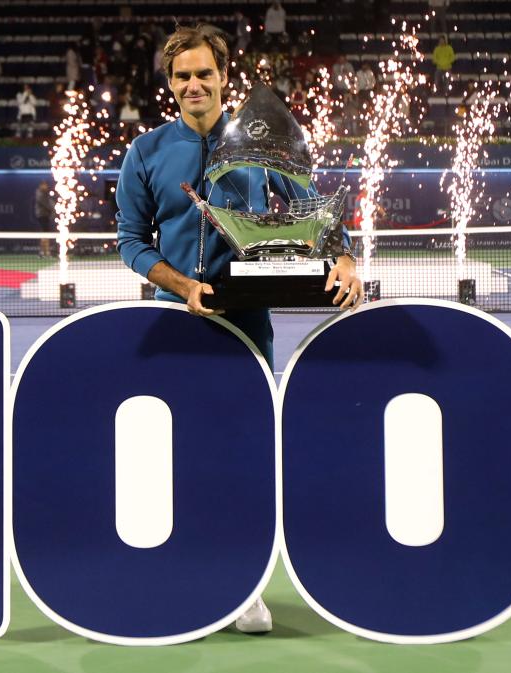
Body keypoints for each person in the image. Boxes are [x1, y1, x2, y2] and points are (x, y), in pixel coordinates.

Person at [116, 26, 361, 635]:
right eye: (181, 76)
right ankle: (182, 575)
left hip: (248, 325)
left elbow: (313, 212)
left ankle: (245, 585)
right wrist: (182, 286)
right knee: (173, 458)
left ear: (224, 77)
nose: (193, 85)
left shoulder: (259, 142)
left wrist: (346, 259)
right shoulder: (145, 152)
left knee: (245, 454)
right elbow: (130, 243)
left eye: (204, 73)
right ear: (169, 84)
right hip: (172, 322)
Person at [34, 180, 56, 258]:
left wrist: (53, 207)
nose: (45, 186)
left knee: (45, 234)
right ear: (41, 186)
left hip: (46, 216)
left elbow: (50, 202)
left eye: (46, 185)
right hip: (42, 216)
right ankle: (46, 252)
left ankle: (42, 252)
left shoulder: (46, 194)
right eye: (44, 185)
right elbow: (46, 204)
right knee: (45, 234)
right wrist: (53, 208)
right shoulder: (40, 194)